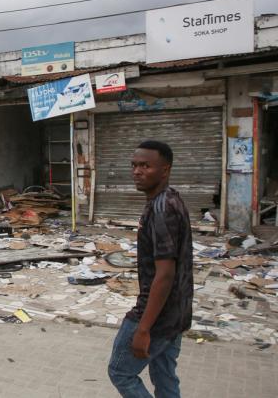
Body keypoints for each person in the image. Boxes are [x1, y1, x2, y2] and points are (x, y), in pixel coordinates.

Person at [107, 141, 193, 398]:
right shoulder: (172, 199)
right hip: (177, 312)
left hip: (157, 315)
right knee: (164, 374)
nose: (137, 171)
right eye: (134, 165)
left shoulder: (161, 209)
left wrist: (143, 328)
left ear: (164, 170)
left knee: (120, 372)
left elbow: (164, 275)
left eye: (146, 166)